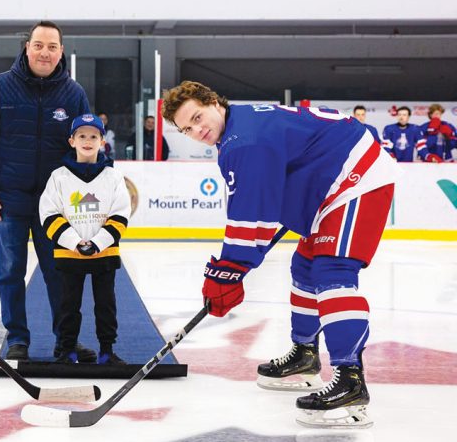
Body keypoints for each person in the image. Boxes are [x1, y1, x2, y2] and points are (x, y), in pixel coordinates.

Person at [162, 81, 401, 429]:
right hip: (330, 180)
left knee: (332, 271)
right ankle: (305, 354)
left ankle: (350, 380)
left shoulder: (244, 141)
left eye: (198, 118)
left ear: (214, 102)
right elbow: (262, 200)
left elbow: (250, 218)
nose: (198, 131)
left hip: (358, 176)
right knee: (304, 267)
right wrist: (233, 267)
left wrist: (226, 272)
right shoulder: (239, 126)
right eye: (187, 129)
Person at [0, 20, 95, 362]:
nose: (45, 52)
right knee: (10, 271)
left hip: (56, 205)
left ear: (61, 52)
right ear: (27, 47)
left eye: (52, 46)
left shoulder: (73, 93)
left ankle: (65, 340)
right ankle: (18, 337)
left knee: (61, 273)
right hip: (8, 200)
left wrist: (83, 194)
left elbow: (85, 147)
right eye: (38, 45)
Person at [39, 114, 130, 365]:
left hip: (105, 253)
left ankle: (106, 352)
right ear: (71, 141)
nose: (87, 141)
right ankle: (67, 351)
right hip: (69, 254)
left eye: (93, 136)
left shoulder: (113, 177)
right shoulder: (59, 176)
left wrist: (99, 242)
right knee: (68, 306)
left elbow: (121, 214)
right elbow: (49, 214)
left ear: (102, 141)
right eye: (82, 136)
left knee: (106, 306)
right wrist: (74, 242)